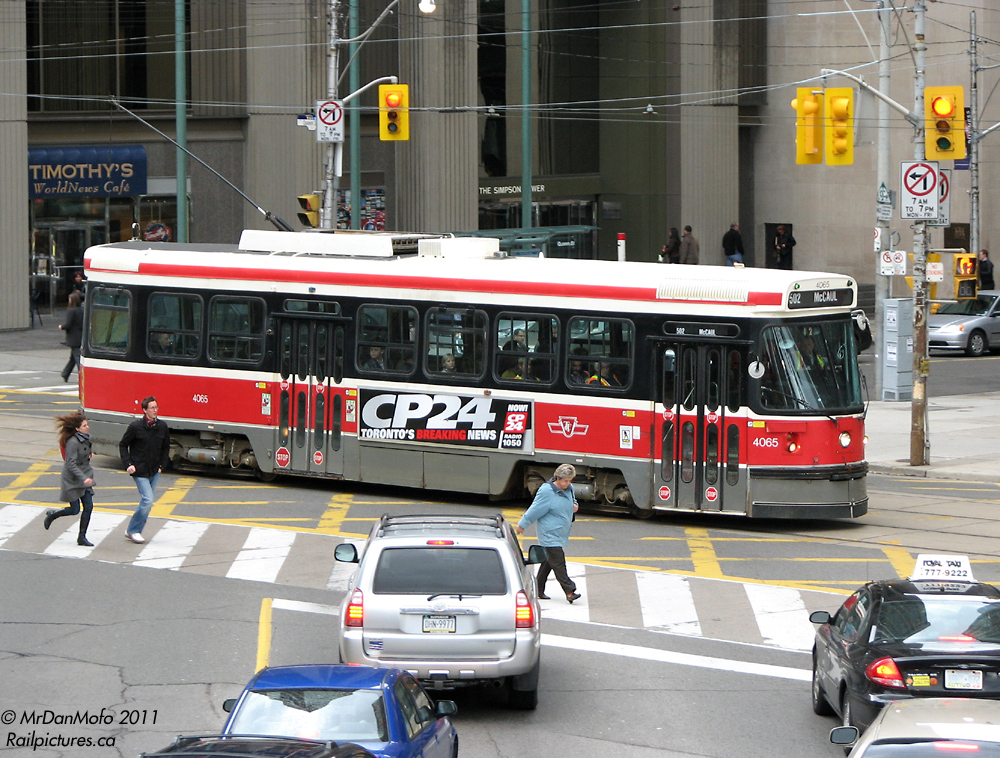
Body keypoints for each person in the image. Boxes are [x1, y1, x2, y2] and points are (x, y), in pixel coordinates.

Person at [515, 463, 581, 603]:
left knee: (548, 561)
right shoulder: (546, 492)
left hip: (561, 532)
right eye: (565, 481)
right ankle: (570, 591)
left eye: (570, 480)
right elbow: (535, 510)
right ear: (557, 478)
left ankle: (538, 589)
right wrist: (522, 525)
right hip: (549, 533)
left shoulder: (569, 489)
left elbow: (573, 501)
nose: (568, 483)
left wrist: (575, 506)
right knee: (558, 562)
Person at [119, 396, 170, 544]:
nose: (155, 410)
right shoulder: (136, 427)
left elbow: (166, 447)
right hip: (139, 470)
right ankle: (134, 530)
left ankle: (132, 530)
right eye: (152, 408)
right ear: (144, 410)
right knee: (148, 500)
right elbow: (123, 445)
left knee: (147, 502)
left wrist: (162, 465)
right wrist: (128, 464)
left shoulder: (162, 426)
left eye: (156, 407)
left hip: (154, 470)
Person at [44, 411, 96, 546]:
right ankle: (52, 515)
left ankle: (82, 537)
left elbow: (84, 453)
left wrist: (88, 455)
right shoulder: (72, 443)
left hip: (84, 477)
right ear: (77, 428)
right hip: (72, 479)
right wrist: (83, 478)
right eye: (85, 425)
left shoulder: (86, 438)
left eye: (87, 424)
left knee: (89, 506)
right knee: (74, 510)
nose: (87, 427)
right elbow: (70, 464)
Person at [59, 291, 84, 382]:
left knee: (77, 357)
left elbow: (68, 324)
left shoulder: (71, 311)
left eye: (69, 299)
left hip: (73, 337)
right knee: (73, 357)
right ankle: (65, 373)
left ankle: (82, 374)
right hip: (80, 335)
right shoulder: (82, 310)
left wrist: (62, 327)